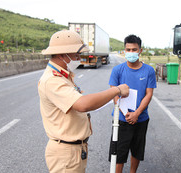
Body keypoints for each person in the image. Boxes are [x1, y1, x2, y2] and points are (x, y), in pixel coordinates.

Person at [38, 30, 129, 173]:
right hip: (66, 153)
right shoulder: (52, 80)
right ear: (62, 54)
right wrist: (116, 90)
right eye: (76, 55)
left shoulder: (63, 75)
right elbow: (82, 104)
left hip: (73, 150)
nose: (79, 58)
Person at [108, 34, 157, 173]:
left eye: (134, 49)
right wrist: (126, 114)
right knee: (119, 153)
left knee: (137, 150)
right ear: (124, 50)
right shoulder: (117, 70)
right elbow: (114, 94)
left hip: (141, 119)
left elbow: (149, 94)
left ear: (140, 50)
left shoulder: (148, 71)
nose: (131, 53)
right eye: (128, 49)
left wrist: (136, 114)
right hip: (121, 119)